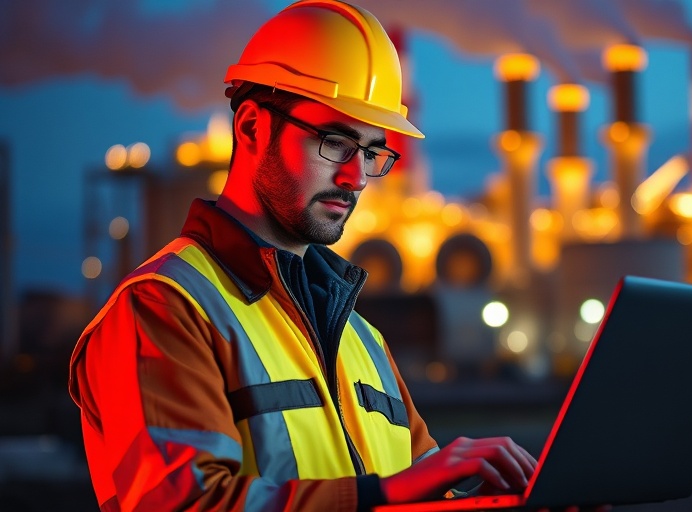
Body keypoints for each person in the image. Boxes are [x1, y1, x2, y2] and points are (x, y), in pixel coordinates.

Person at [68, 1, 540, 510]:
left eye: (373, 153)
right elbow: (182, 503)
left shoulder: (363, 339)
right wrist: (380, 495)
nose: (356, 178)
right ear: (251, 128)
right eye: (336, 142)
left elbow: (421, 495)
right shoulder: (163, 309)